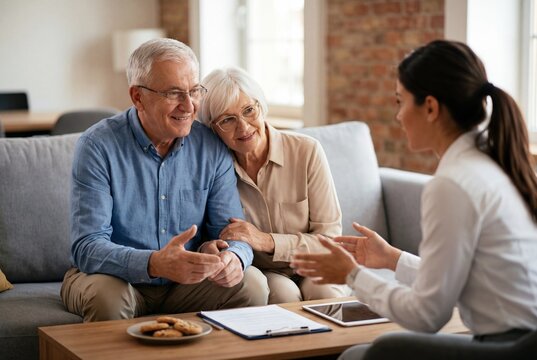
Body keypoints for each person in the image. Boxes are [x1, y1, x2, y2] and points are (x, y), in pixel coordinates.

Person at [291, 39, 537, 359]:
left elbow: (427, 316)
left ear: (431, 107)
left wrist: (351, 275)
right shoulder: (494, 163)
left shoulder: (453, 184)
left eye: (400, 101)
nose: (398, 116)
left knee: (374, 352)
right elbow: (454, 277)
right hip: (522, 342)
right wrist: (392, 258)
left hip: (510, 349)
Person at [61, 38, 269, 322]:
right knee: (107, 297)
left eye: (194, 91)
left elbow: (233, 232)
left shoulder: (210, 145)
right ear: (138, 97)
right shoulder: (98, 146)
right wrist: (154, 263)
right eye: (173, 93)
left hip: (184, 286)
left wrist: (235, 257)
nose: (188, 106)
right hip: (114, 280)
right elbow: (88, 247)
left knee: (252, 284)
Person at [197, 66, 350, 304]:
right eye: (227, 119)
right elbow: (209, 235)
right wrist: (210, 247)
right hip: (265, 272)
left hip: (317, 263)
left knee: (325, 294)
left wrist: (266, 240)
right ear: (212, 128)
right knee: (282, 294)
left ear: (261, 106)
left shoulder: (306, 151)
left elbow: (328, 240)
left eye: (249, 110)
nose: (244, 127)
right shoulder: (214, 170)